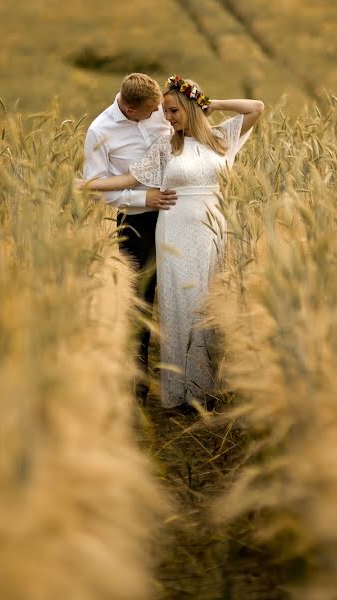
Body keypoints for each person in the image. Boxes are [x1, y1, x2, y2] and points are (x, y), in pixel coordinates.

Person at [79, 75, 264, 410]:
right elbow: (130, 177)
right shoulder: (164, 145)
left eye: (172, 110)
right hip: (170, 226)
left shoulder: (221, 138)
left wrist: (211, 103)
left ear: (191, 107)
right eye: (162, 111)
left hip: (213, 229)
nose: (165, 118)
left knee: (209, 302)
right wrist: (89, 185)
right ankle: (174, 388)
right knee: (172, 305)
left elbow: (257, 108)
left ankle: (209, 385)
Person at [83, 73, 179, 402]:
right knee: (138, 301)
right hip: (136, 223)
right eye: (151, 110)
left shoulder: (157, 114)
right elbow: (97, 189)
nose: (159, 115)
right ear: (129, 108)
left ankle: (182, 381)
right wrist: (143, 199)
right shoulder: (99, 132)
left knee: (181, 297)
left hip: (179, 217)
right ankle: (136, 384)